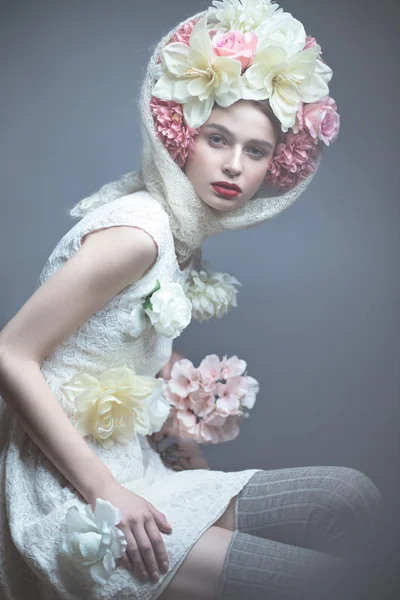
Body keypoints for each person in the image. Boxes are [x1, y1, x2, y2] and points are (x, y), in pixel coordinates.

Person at [0, 2, 383, 599]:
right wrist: (107, 490)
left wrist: (178, 434)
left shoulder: (179, 235)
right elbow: (9, 354)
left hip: (135, 466)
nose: (233, 164)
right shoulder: (138, 234)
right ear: (182, 138)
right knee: (332, 585)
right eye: (217, 138)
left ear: (274, 165)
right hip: (70, 485)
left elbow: (108, 351)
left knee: (350, 497)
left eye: (255, 151)